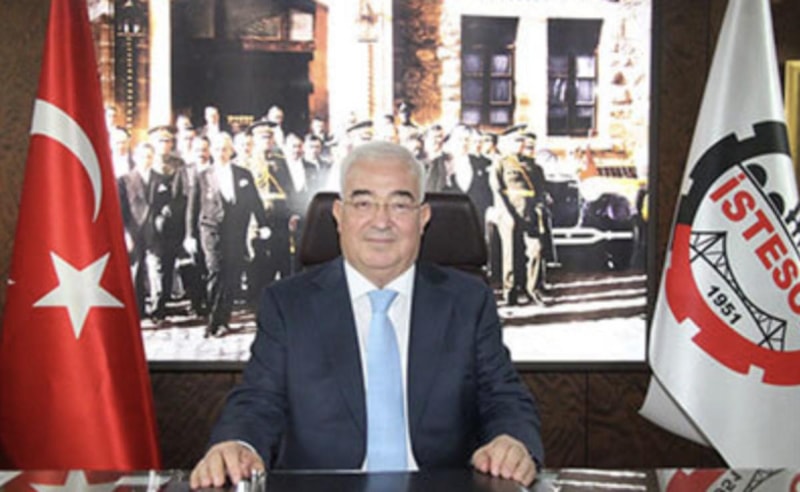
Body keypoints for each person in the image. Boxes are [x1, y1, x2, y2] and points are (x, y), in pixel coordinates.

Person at [189, 141, 543, 489]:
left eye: (399, 205)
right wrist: (238, 444)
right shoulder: (288, 304)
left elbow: (503, 397)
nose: (381, 221)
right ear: (339, 216)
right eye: (363, 203)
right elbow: (257, 402)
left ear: (423, 218)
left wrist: (512, 441)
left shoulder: (467, 301)